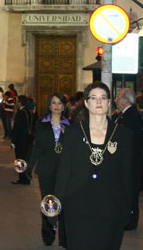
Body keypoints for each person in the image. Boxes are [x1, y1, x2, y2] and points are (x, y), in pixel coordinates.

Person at [55, 82, 133, 250]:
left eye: (103, 97)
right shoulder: (72, 133)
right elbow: (64, 172)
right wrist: (57, 204)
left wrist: (129, 208)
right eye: (94, 98)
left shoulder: (123, 135)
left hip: (110, 207)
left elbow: (128, 175)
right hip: (77, 206)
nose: (99, 102)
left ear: (109, 102)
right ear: (86, 103)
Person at [28, 93, 70, 247]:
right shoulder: (41, 125)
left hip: (65, 171)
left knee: (64, 205)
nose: (57, 106)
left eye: (60, 103)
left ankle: (65, 237)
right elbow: (37, 148)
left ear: (64, 106)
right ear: (49, 106)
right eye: (54, 103)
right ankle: (48, 235)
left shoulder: (71, 126)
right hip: (46, 170)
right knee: (49, 204)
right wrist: (29, 166)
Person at [113, 88, 143, 230]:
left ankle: (130, 221)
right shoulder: (124, 115)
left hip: (130, 161)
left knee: (130, 191)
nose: (115, 100)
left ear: (125, 100)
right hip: (125, 161)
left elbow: (129, 140)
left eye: (118, 97)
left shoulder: (132, 116)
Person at [11, 95, 36, 185]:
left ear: (19, 102)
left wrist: (13, 141)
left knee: (20, 160)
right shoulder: (30, 112)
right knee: (26, 159)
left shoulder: (21, 112)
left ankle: (22, 178)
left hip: (21, 140)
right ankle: (27, 177)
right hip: (28, 139)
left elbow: (17, 127)